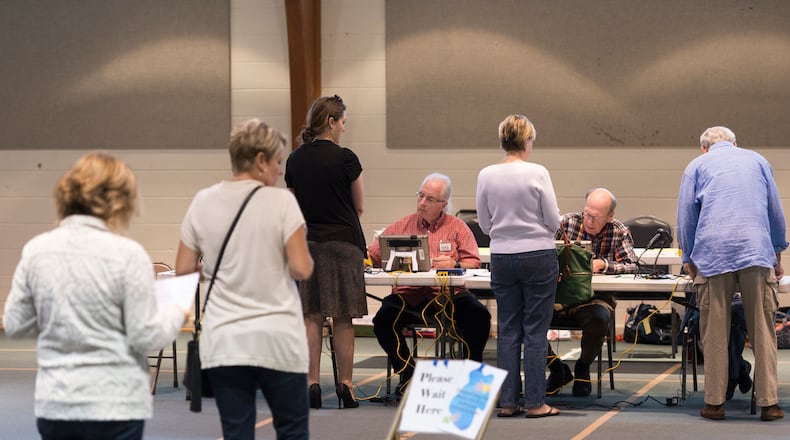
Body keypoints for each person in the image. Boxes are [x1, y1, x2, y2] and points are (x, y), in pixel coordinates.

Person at [3, 152, 188, 440]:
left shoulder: (36, 250)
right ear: (119, 201)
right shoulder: (128, 255)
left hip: (57, 405)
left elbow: (15, 323)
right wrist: (177, 312)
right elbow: (145, 337)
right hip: (115, 407)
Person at [176, 119, 314, 439]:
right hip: (277, 339)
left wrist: (213, 271)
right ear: (260, 160)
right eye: (278, 162)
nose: (280, 171)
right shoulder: (282, 202)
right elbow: (302, 268)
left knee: (236, 432)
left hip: (225, 340)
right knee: (292, 430)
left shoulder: (203, 200)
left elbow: (183, 269)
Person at [677, 125, 786, 422]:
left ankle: (714, 403)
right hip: (756, 250)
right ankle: (769, 404)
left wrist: (688, 258)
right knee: (763, 331)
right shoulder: (759, 161)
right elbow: (775, 212)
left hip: (713, 255)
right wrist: (777, 254)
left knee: (714, 333)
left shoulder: (696, 166)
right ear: (736, 144)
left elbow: (686, 217)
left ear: (704, 149)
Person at [367, 173, 491, 395]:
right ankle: (407, 372)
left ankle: (472, 376)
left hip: (448, 296)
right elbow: (373, 254)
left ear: (443, 204)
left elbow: (473, 261)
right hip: (408, 296)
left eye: (430, 199)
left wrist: (455, 262)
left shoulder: (457, 227)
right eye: (420, 196)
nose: (422, 203)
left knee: (479, 316)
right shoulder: (402, 225)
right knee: (383, 321)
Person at [476, 114, 562, 418]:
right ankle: (536, 401)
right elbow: (553, 219)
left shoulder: (486, 174)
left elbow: (484, 223)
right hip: (537, 254)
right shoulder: (537, 172)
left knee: (509, 330)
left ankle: (509, 402)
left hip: (501, 255)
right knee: (535, 332)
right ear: (527, 141)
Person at [285, 94, 367, 409]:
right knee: (344, 317)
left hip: (309, 245)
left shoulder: (294, 160)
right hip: (344, 243)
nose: (344, 129)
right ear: (331, 122)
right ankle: (346, 385)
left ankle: (312, 385)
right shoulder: (347, 159)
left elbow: (291, 207)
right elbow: (358, 206)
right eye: (343, 122)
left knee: (311, 316)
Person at [546, 188, 638, 397]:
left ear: (610, 216)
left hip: (594, 298)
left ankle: (583, 366)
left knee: (599, 318)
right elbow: (543, 252)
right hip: (559, 297)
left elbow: (632, 265)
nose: (589, 221)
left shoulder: (618, 231)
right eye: (587, 214)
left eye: (595, 217)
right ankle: (556, 367)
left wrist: (603, 264)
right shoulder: (566, 223)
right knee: (526, 316)